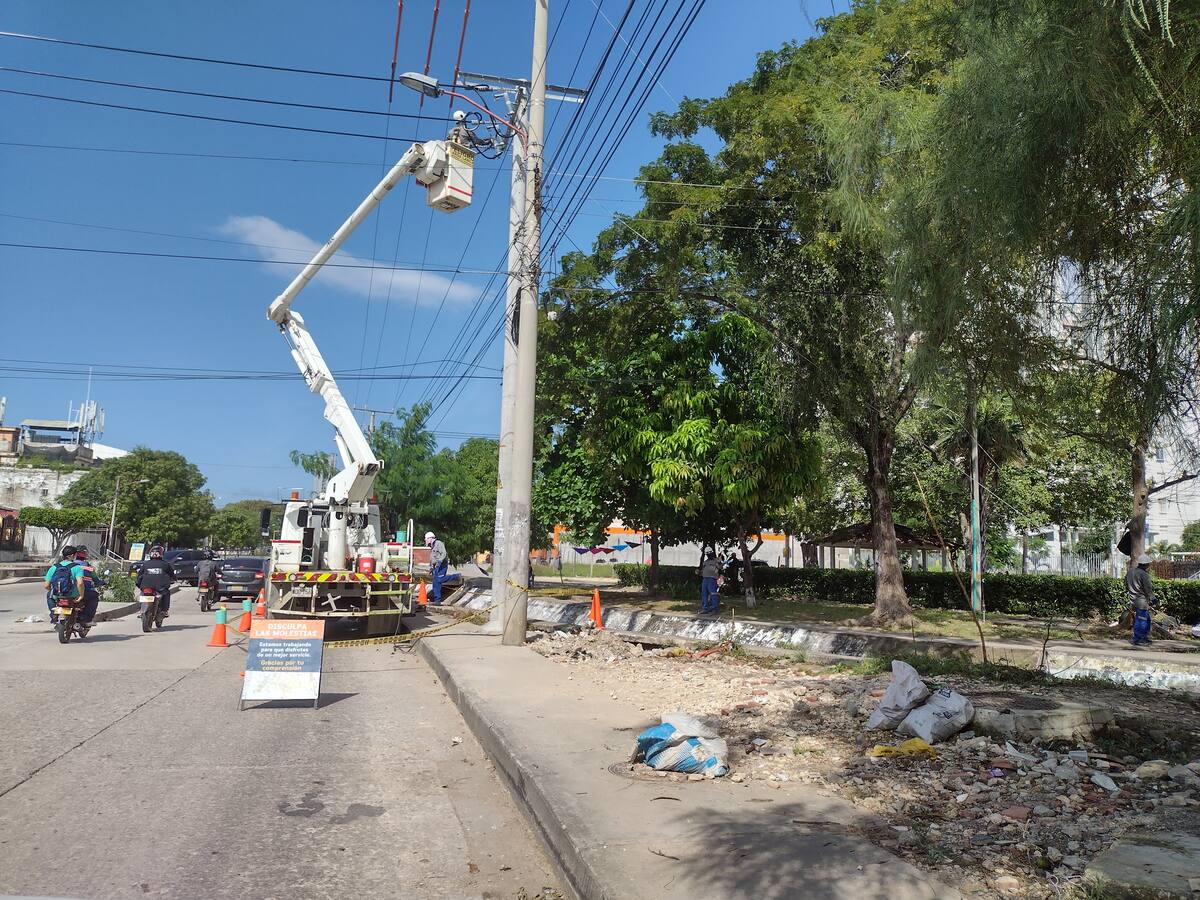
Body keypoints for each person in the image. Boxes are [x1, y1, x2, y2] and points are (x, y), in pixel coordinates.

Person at [44, 545, 86, 624]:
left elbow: (46, 585)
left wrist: (54, 590)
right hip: (72, 595)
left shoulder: (54, 567)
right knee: (85, 601)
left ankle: (53, 613)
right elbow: (80, 583)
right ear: (72, 555)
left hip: (57, 595)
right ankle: (82, 620)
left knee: (49, 595)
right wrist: (81, 595)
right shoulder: (77, 567)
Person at [136, 545, 175, 617]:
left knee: (142, 593)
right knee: (166, 593)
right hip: (160, 587)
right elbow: (172, 575)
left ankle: (141, 610)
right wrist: (174, 579)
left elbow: (139, 575)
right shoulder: (166, 564)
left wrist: (139, 584)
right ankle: (164, 610)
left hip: (146, 586)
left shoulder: (145, 564)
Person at [1126, 553, 1155, 645]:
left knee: (1146, 619)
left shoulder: (1130, 572)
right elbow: (1148, 589)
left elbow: (1126, 585)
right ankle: (1139, 639)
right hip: (1141, 601)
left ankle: (1143, 637)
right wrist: (1153, 599)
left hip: (1133, 599)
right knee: (1141, 620)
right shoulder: (1144, 574)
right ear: (1146, 564)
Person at [73, 546, 103, 625]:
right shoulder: (88, 567)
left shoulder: (70, 565)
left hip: (68, 592)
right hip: (84, 591)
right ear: (85, 554)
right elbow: (96, 579)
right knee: (94, 597)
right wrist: (101, 583)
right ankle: (88, 620)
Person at [425, 531, 449, 605]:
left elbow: (443, 553)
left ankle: (456, 576)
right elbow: (433, 559)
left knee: (439, 580)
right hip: (436, 566)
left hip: (442, 564)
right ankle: (437, 600)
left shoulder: (439, 543)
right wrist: (431, 568)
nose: (426, 541)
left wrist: (440, 561)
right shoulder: (432, 546)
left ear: (430, 538)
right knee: (435, 583)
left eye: (426, 539)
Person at [699, 550, 721, 615]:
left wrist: (719, 561)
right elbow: (703, 570)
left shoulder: (716, 561)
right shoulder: (705, 562)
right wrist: (700, 572)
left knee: (713, 594)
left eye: (709, 553)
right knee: (704, 594)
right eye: (707, 553)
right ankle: (705, 608)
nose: (708, 554)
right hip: (705, 579)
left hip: (712, 579)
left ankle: (715, 609)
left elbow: (720, 568)